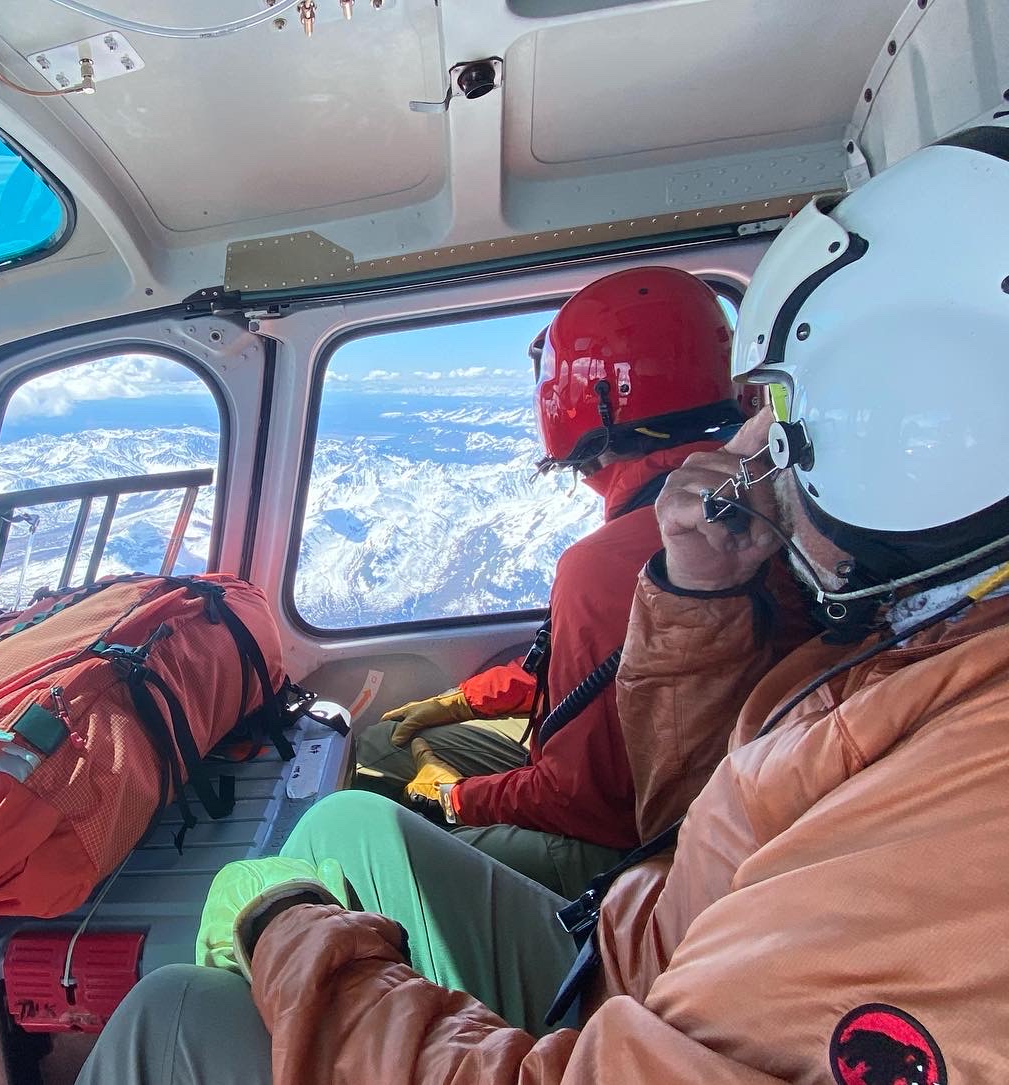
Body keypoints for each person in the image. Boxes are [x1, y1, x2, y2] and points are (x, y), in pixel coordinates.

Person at [77, 121, 1009, 1084]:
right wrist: (698, 594)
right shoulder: (908, 625)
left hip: (630, 972)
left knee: (171, 1011)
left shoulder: (966, 782)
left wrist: (318, 913)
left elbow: (605, 801)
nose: (761, 454)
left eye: (787, 417)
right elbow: (694, 808)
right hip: (646, 937)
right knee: (340, 826)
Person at [355, 265, 747, 897]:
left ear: (586, 401)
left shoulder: (615, 558)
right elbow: (600, 674)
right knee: (387, 739)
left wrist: (455, 800)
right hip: (680, 810)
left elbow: (583, 802)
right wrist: (464, 699)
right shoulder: (735, 491)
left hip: (636, 852)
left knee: (381, 831)